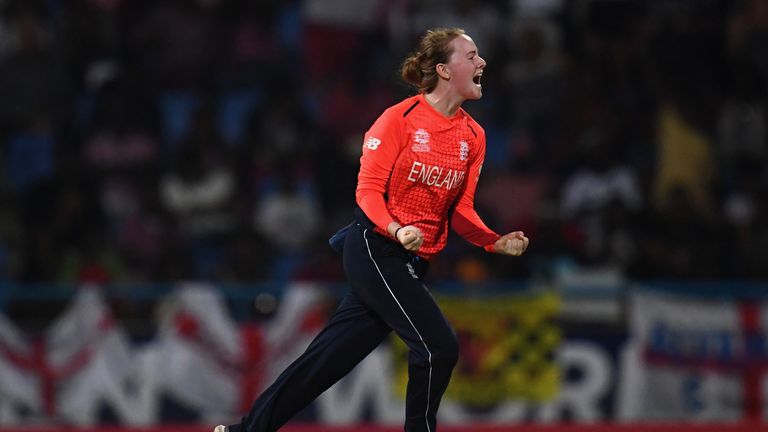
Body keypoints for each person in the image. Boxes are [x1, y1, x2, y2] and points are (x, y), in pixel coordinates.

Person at [215, 27, 529, 432]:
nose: (481, 62)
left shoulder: (474, 136)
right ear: (444, 70)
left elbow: (461, 208)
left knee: (328, 360)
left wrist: (493, 241)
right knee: (438, 347)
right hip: (374, 247)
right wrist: (397, 230)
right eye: (471, 56)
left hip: (412, 261)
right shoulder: (398, 119)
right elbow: (366, 193)